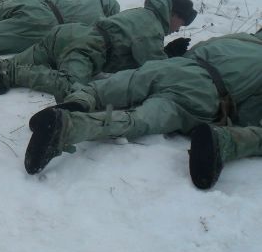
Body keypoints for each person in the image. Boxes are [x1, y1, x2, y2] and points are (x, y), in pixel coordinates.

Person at [22, 30, 262, 180]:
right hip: (201, 93)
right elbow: (250, 111)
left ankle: (80, 101)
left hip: (172, 68)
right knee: (138, 119)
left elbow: (199, 49)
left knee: (107, 87)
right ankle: (69, 127)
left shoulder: (238, 37)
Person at [0, 0, 197, 102]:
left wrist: (166, 52)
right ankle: (12, 73)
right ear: (174, 15)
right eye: (182, 23)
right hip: (86, 51)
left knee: (4, 61)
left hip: (68, 33)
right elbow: (153, 69)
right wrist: (170, 58)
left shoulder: (143, 14)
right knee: (69, 87)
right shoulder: (153, 28)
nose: (179, 29)